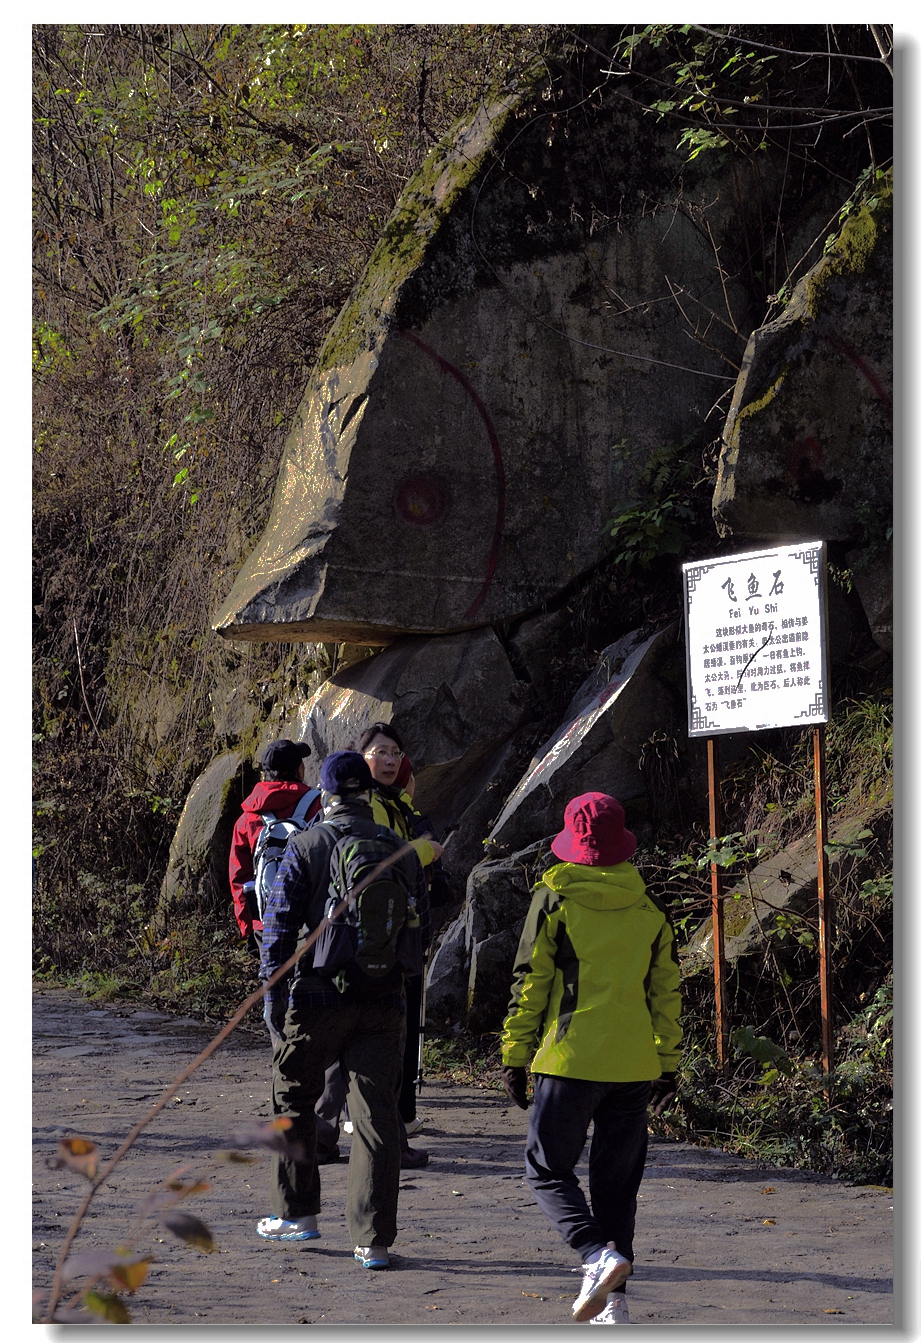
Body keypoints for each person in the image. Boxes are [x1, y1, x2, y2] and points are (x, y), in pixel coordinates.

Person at [498, 793, 682, 1325]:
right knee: (616, 1186)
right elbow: (665, 993)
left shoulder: (555, 898)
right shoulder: (650, 907)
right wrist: (667, 1062)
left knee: (546, 1169)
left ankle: (596, 1254)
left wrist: (514, 1054)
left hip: (569, 1060)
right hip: (633, 1068)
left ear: (571, 844)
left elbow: (529, 983)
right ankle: (614, 1303)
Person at [256, 750, 431, 1270]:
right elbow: (418, 927)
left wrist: (274, 994)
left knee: (292, 1095)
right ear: (368, 795)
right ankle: (373, 1241)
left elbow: (280, 928)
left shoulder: (305, 845)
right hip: (384, 999)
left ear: (327, 795)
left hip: (316, 997)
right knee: (376, 1117)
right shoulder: (401, 849)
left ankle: (297, 1215)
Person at [227, 738, 341, 1165]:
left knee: (279, 1013)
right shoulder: (315, 806)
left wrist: (249, 924)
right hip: (314, 925)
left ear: (264, 774)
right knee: (325, 1014)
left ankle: (290, 1116)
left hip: (267, 926)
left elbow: (238, 874)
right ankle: (324, 1128)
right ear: (298, 771)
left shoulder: (248, 815)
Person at [356, 722, 445, 1167]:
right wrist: (426, 850)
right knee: (386, 1027)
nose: (389, 760)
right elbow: (385, 859)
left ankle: (394, 1119)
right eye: (380, 752)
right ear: (362, 757)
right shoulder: (366, 806)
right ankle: (381, 1124)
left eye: (395, 752)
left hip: (401, 932)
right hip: (380, 936)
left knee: (400, 1024)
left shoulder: (395, 803)